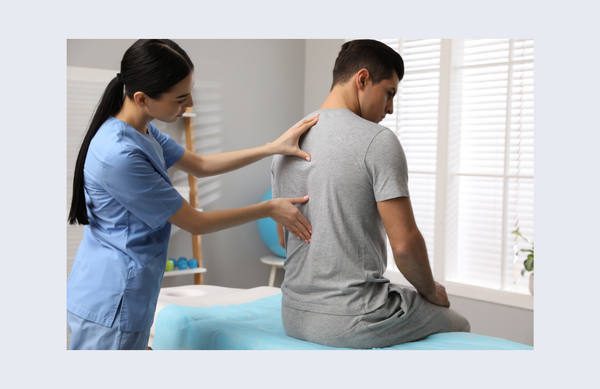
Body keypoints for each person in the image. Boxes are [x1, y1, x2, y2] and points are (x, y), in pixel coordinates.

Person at [67, 39, 317, 350]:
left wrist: (272, 147)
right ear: (143, 98)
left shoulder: (142, 129)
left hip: (124, 289)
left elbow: (200, 165)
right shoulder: (120, 155)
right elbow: (195, 222)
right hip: (113, 297)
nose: (191, 105)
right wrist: (268, 208)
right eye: (181, 98)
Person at [271, 39, 470, 349]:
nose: (390, 109)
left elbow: (285, 238)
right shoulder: (378, 140)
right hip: (353, 318)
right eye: (389, 93)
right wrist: (430, 290)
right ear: (362, 80)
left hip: (293, 315)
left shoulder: (285, 142)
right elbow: (404, 245)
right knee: (460, 323)